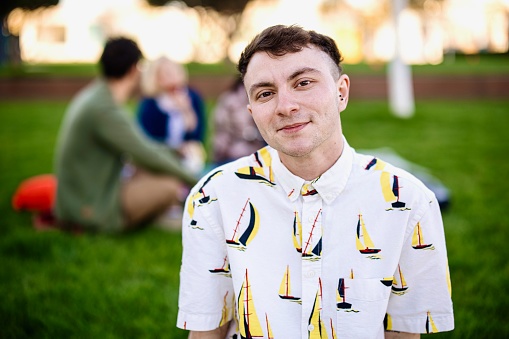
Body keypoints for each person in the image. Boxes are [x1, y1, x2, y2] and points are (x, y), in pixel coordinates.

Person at [177, 25, 454, 338]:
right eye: (266, 93)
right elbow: (205, 330)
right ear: (252, 111)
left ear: (342, 92)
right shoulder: (213, 197)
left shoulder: (411, 202)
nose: (286, 106)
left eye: (303, 83)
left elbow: (404, 333)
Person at [54, 37, 197, 233]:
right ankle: (164, 215)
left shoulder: (97, 96)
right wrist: (195, 180)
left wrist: (172, 151)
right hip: (91, 207)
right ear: (133, 69)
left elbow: (144, 147)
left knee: (154, 172)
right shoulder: (104, 108)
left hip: (84, 196)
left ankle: (163, 215)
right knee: (170, 186)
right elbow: (146, 154)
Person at [137, 56, 206, 175]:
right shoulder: (151, 103)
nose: (173, 76)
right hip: (161, 154)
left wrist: (186, 110)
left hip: (188, 154)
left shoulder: (192, 97)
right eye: (166, 73)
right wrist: (173, 150)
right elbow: (146, 137)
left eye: (174, 71)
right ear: (156, 78)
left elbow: (197, 134)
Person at [212, 77, 265, 165]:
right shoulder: (232, 101)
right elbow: (228, 126)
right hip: (230, 152)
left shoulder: (251, 99)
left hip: (252, 151)